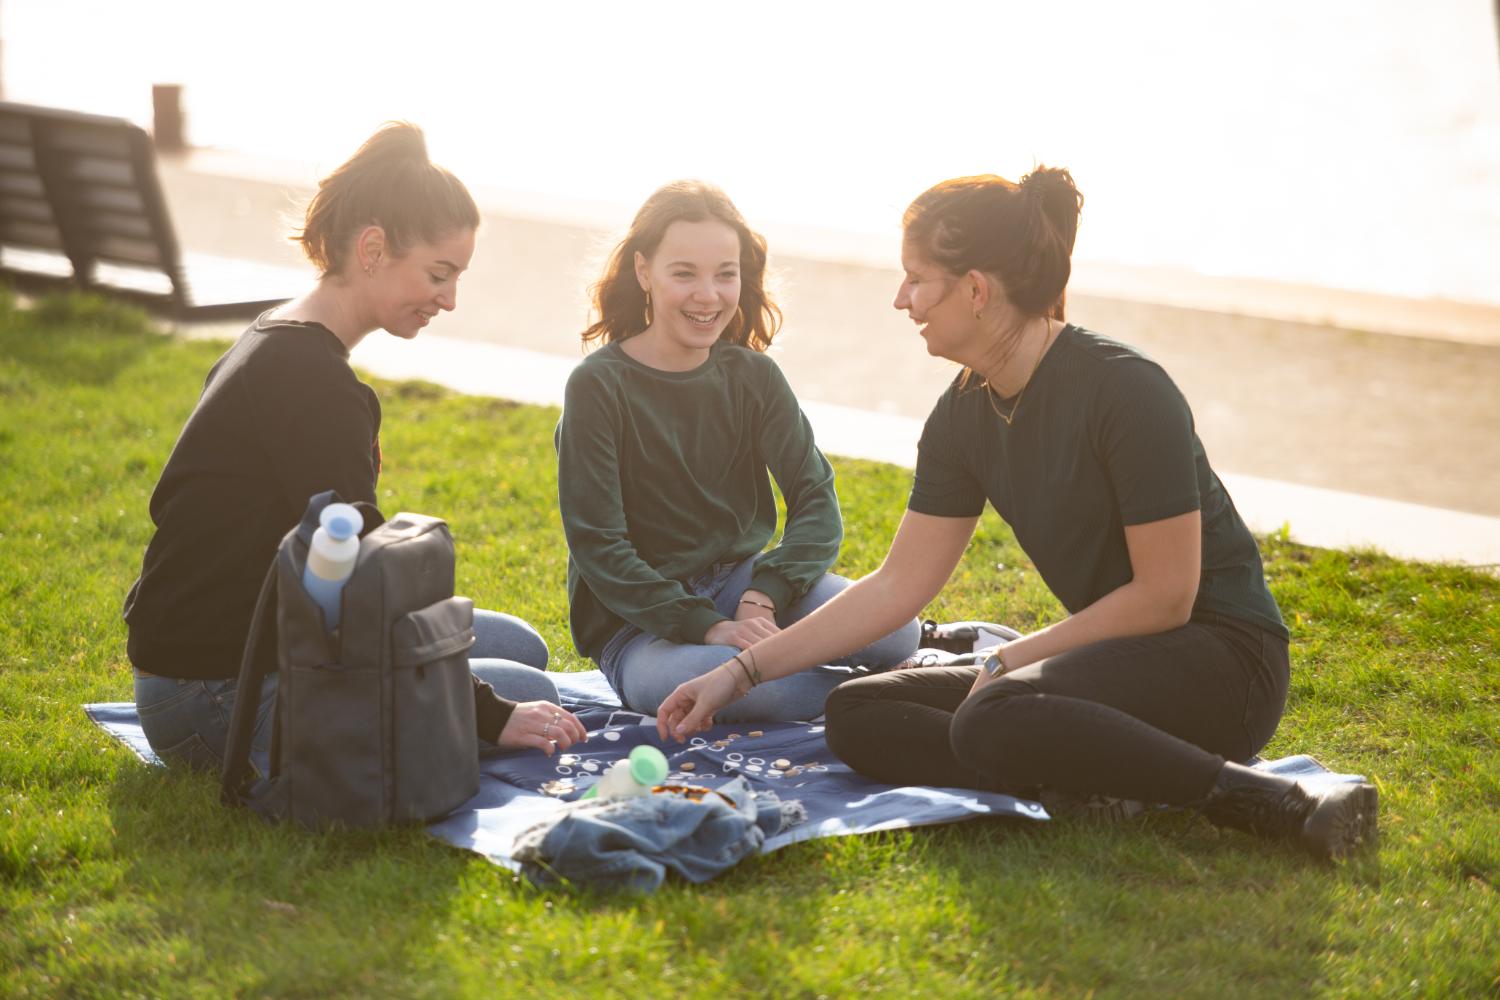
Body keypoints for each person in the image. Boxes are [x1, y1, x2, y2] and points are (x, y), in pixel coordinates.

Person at [656, 168, 1377, 860]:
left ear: (975, 289)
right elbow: (897, 586)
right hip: (1107, 670)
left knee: (995, 709)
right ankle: (1100, 782)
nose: (902, 300)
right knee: (859, 712)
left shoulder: (1127, 390)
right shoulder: (962, 416)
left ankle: (1268, 801)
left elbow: (1167, 596)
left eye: (916, 279)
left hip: (1224, 665)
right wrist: (741, 673)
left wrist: (1012, 656)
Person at [123, 123, 585, 774]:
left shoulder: (279, 337)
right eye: (439, 274)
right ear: (372, 248)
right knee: (529, 692)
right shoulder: (309, 381)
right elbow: (366, 589)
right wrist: (489, 714)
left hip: (239, 657)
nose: (450, 300)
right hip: (214, 696)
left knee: (522, 647)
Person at [556, 180, 918, 722]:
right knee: (760, 689)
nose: (709, 295)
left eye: (725, 274)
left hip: (742, 586)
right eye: (684, 273)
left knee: (896, 630)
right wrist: (709, 627)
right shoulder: (597, 386)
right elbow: (600, 548)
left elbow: (815, 500)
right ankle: (896, 688)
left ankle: (885, 675)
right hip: (640, 628)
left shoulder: (755, 377)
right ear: (643, 272)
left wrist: (763, 595)